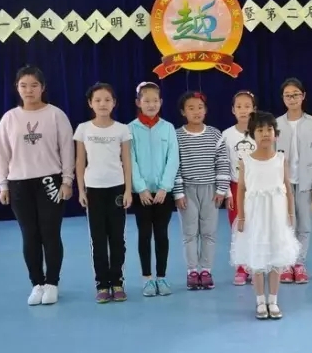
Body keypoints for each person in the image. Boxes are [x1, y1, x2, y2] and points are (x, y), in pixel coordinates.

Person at [0, 65, 74, 306]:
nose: (29, 90)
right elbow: (2, 153)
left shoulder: (56, 115)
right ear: (17, 88)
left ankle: (52, 283)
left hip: (50, 181)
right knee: (29, 235)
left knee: (50, 233)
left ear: (43, 87)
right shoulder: (9, 118)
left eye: (34, 85)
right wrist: (3, 184)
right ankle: (37, 284)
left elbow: (67, 149)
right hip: (19, 183)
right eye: (23, 86)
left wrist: (67, 180)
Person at [230, 111, 301, 320]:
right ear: (252, 134)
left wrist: (290, 213)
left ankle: (273, 300)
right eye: (260, 130)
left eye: (269, 129)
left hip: (276, 215)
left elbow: (287, 188)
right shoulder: (246, 161)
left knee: (276, 256)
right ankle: (260, 300)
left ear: (275, 133)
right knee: (258, 257)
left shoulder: (280, 159)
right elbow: (241, 190)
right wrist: (241, 216)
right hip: (256, 216)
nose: (265, 134)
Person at [74, 83, 132, 303]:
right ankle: (102, 284)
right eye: (97, 100)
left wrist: (128, 190)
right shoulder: (83, 129)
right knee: (98, 239)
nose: (102, 104)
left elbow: (127, 161)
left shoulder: (122, 129)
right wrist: (81, 190)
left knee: (117, 238)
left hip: (116, 188)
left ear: (114, 103)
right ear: (90, 103)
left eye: (107, 99)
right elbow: (80, 162)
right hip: (94, 190)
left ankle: (117, 282)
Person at [174, 91, 231, 290]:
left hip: (210, 191)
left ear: (205, 110)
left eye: (200, 107)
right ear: (183, 112)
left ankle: (206, 270)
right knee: (190, 233)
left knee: (209, 233)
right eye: (191, 108)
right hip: (187, 191)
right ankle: (192, 271)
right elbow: (175, 165)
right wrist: (178, 192)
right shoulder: (177, 135)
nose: (196, 111)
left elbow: (223, 162)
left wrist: (221, 189)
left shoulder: (215, 134)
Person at [129, 82, 179, 297]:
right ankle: (147, 278)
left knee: (162, 235)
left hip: (162, 194)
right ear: (138, 102)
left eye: (155, 100)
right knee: (144, 235)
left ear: (161, 102)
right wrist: (140, 188)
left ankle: (161, 277)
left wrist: (164, 187)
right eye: (146, 100)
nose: (151, 104)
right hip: (141, 194)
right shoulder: (130, 129)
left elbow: (173, 158)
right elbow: (130, 160)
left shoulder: (168, 128)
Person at [275, 78, 312, 284]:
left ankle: (299, 264)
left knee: (304, 225)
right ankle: (286, 264)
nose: (292, 99)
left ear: (303, 96)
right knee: (286, 224)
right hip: (282, 184)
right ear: (283, 98)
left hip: (306, 182)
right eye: (288, 95)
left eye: (295, 94)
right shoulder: (276, 124)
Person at [222, 90, 257, 286]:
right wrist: (227, 192)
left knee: (257, 226)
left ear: (254, 109)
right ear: (233, 110)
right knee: (238, 227)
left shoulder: (260, 131)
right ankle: (241, 267)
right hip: (236, 187)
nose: (243, 110)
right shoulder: (227, 135)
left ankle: (255, 265)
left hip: (257, 188)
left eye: (247, 106)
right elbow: (224, 165)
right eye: (239, 107)